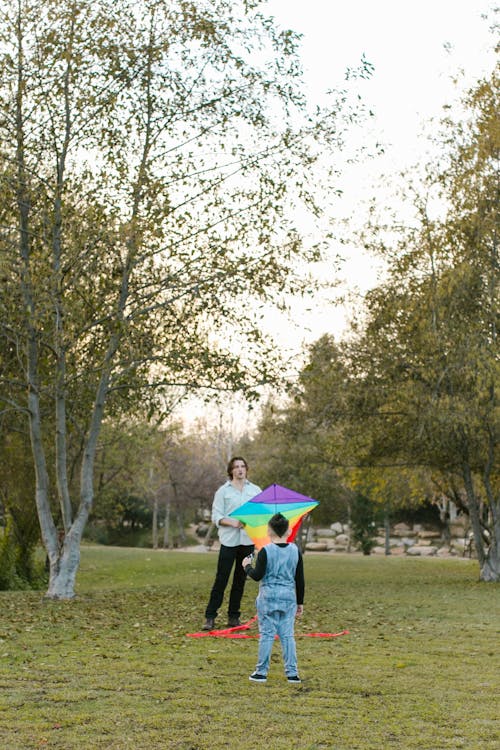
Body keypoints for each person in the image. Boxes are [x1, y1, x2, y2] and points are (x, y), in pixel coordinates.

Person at [242, 512, 304, 683]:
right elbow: (300, 579)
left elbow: (256, 575)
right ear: (288, 530)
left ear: (269, 531)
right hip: (288, 598)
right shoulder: (295, 551)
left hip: (268, 598)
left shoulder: (265, 552)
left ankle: (261, 672)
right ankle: (292, 673)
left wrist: (246, 566)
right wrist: (300, 602)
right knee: (287, 635)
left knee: (267, 634)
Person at [201, 456, 261, 631]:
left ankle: (234, 617)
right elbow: (216, 516)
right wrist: (233, 522)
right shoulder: (223, 491)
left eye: (243, 466)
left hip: (248, 541)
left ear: (246, 469)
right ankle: (210, 617)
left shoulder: (256, 490)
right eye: (236, 467)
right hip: (229, 541)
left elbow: (261, 513)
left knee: (240, 579)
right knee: (222, 579)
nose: (240, 469)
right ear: (231, 471)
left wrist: (253, 521)